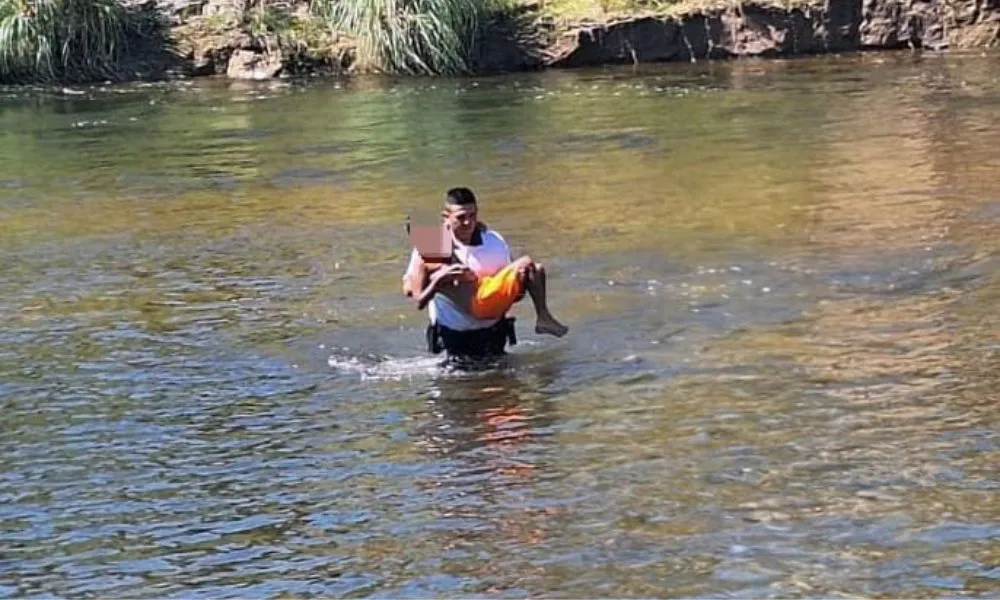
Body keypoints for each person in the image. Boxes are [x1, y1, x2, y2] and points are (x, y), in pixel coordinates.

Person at [402, 187, 568, 361]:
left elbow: (515, 294)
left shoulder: (492, 241)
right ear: (445, 218)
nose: (468, 223)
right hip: (454, 339)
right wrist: (440, 281)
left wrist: (515, 289)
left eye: (472, 216)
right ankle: (544, 317)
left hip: (495, 331)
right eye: (461, 218)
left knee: (534, 268)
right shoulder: (429, 250)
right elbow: (412, 292)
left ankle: (543, 317)